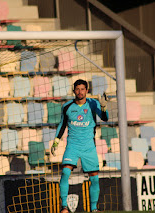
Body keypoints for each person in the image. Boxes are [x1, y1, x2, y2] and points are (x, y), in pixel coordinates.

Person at [51, 79, 109, 213]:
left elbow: (105, 118)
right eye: (77, 89)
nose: (80, 91)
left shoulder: (93, 103)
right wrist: (56, 141)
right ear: (74, 91)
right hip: (72, 146)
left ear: (87, 91)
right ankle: (64, 207)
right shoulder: (67, 106)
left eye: (83, 89)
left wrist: (104, 107)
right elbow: (62, 124)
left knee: (94, 178)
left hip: (89, 146)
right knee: (65, 172)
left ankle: (94, 208)